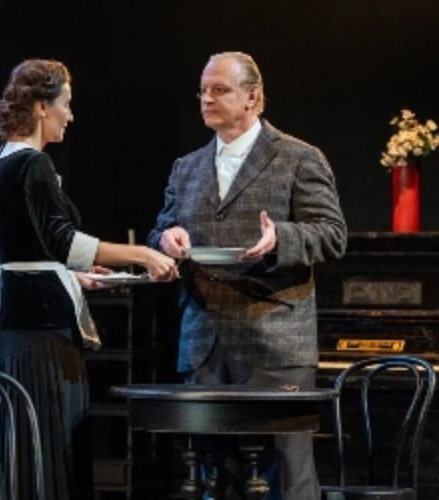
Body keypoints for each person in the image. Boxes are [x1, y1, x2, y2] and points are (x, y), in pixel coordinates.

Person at [147, 51, 347, 500]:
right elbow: (160, 228)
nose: (207, 99)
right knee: (217, 476)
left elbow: (332, 235)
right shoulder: (187, 167)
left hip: (274, 340)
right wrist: (166, 238)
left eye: (219, 90)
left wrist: (281, 239)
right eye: (203, 91)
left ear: (252, 96)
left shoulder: (298, 157)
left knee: (286, 476)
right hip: (205, 339)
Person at [0, 58, 178, 500]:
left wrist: (70, 277)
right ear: (40, 106)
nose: (70, 115)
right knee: (51, 445)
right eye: (65, 104)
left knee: (27, 446)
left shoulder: (1, 161)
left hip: (18, 325)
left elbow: (7, 252)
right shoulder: (31, 163)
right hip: (41, 334)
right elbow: (63, 241)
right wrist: (143, 254)